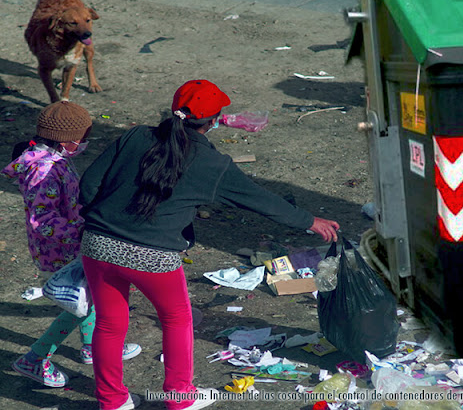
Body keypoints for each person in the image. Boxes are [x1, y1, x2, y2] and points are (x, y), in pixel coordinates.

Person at [79, 79, 340, 410]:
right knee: (176, 319)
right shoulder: (213, 165)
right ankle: (179, 396)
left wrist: (102, 225)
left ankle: (112, 401)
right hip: (154, 258)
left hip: (98, 245)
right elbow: (262, 201)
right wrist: (309, 221)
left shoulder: (135, 136)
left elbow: (89, 185)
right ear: (214, 120)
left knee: (108, 323)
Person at [2, 101, 141, 389]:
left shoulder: (53, 159)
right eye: (83, 139)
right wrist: (81, 230)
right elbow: (43, 219)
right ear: (67, 140)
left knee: (87, 299)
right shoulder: (44, 170)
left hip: (63, 245)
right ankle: (34, 358)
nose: (85, 144)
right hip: (58, 249)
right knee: (79, 304)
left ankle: (92, 346)